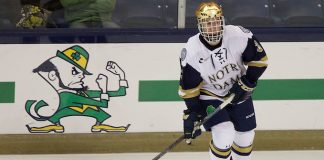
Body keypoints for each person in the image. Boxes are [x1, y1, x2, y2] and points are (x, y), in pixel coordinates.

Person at [179, 2, 268, 160]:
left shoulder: (238, 35)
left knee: (246, 137)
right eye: (207, 24)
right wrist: (195, 113)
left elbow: (260, 61)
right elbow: (189, 89)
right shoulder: (192, 50)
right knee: (224, 133)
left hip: (238, 90)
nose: (212, 27)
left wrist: (247, 81)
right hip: (210, 94)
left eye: (215, 22)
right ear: (200, 25)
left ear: (222, 21)